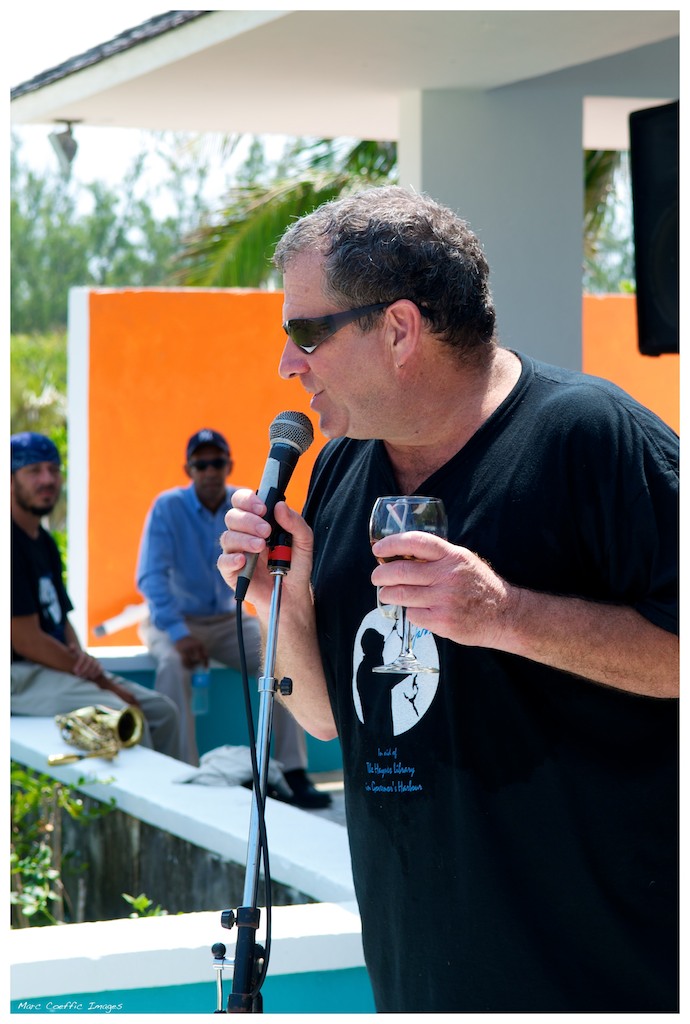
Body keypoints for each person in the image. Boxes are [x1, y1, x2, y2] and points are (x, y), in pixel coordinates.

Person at [216, 186, 679, 1013]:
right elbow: (327, 719)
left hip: (599, 982)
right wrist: (277, 603)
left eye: (307, 333)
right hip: (419, 979)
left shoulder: (593, 439)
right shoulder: (340, 467)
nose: (289, 363)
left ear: (399, 329)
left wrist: (504, 615)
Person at [135, 427, 330, 809]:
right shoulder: (167, 507)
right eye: (201, 464)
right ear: (189, 469)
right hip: (174, 620)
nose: (210, 470)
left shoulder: (246, 506)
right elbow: (151, 578)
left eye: (217, 462)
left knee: (279, 655)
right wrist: (178, 632)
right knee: (173, 665)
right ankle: (180, 774)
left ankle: (291, 772)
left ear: (228, 465)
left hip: (226, 619)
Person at [11, 432, 182, 759]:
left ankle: (187, 789)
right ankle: (138, 796)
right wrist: (100, 680)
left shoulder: (43, 542)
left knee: (163, 712)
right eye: (33, 471)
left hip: (51, 667)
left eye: (53, 469)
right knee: (123, 717)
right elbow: (26, 640)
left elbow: (61, 622)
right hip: (18, 676)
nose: (47, 479)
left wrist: (84, 662)